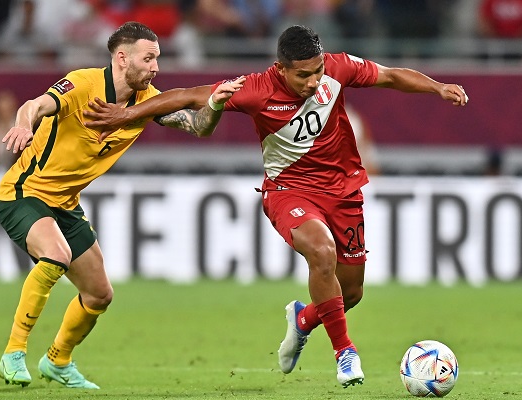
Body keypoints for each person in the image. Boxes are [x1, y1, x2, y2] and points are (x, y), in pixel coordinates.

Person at [83, 25, 469, 388]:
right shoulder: (254, 90)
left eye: (317, 72)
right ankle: (345, 352)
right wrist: (127, 113)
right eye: (303, 75)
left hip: (343, 192)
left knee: (350, 293)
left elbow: (389, 75)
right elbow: (186, 95)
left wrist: (437, 87)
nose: (314, 82)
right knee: (321, 251)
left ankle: (303, 319)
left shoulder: (337, 68)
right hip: (289, 191)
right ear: (281, 69)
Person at [0, 21, 244, 389]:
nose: (156, 67)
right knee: (56, 255)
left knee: (99, 294)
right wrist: (23, 125)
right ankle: (13, 352)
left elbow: (198, 127)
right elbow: (35, 105)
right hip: (24, 192)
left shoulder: (146, 101)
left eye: (157, 59)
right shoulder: (83, 84)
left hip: (66, 205)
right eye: (149, 59)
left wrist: (215, 104)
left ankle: (58, 361)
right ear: (122, 58)